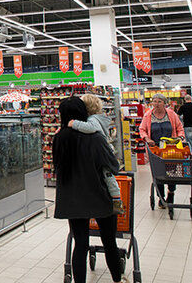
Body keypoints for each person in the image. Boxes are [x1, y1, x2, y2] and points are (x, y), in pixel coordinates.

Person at [53, 97, 124, 283]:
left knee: (80, 244)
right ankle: (117, 279)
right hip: (99, 196)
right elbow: (112, 166)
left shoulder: (59, 138)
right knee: (109, 241)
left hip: (73, 199)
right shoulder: (95, 138)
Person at [68, 94, 123, 213]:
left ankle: (116, 201)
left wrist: (74, 123)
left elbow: (91, 128)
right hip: (104, 150)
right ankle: (116, 199)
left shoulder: (93, 119)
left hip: (103, 152)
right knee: (108, 176)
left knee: (108, 176)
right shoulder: (97, 118)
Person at [139, 93, 185, 208]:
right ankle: (161, 197)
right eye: (155, 101)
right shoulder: (148, 115)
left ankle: (171, 192)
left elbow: (179, 128)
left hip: (171, 150)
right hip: (155, 150)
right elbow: (142, 129)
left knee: (172, 173)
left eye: (159, 101)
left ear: (164, 103)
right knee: (158, 174)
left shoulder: (171, 114)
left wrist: (180, 137)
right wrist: (147, 138)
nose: (156, 104)